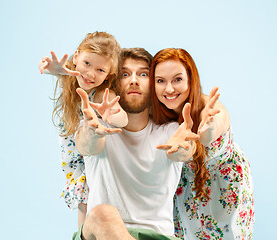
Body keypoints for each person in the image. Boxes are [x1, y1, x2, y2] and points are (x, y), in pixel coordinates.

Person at [74, 48, 200, 240]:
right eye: (125, 74)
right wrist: (90, 132)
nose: (134, 80)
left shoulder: (171, 131)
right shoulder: (97, 126)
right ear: (115, 83)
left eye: (143, 74)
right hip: (101, 233)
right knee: (102, 215)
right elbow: (87, 146)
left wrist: (184, 148)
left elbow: (182, 151)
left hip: (158, 237)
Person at [149, 48, 254, 239]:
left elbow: (213, 129)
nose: (169, 89)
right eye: (161, 81)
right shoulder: (158, 113)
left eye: (177, 79)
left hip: (224, 189)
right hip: (185, 192)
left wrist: (207, 130)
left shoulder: (211, 109)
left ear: (191, 79)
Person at [38, 31, 128, 226]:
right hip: (72, 157)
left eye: (100, 70)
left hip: (93, 156)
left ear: (108, 75)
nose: (90, 74)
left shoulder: (102, 94)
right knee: (82, 201)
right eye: (87, 63)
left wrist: (112, 114)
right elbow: (50, 68)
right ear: (76, 57)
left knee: (92, 202)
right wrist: (48, 67)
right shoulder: (70, 73)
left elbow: (123, 118)